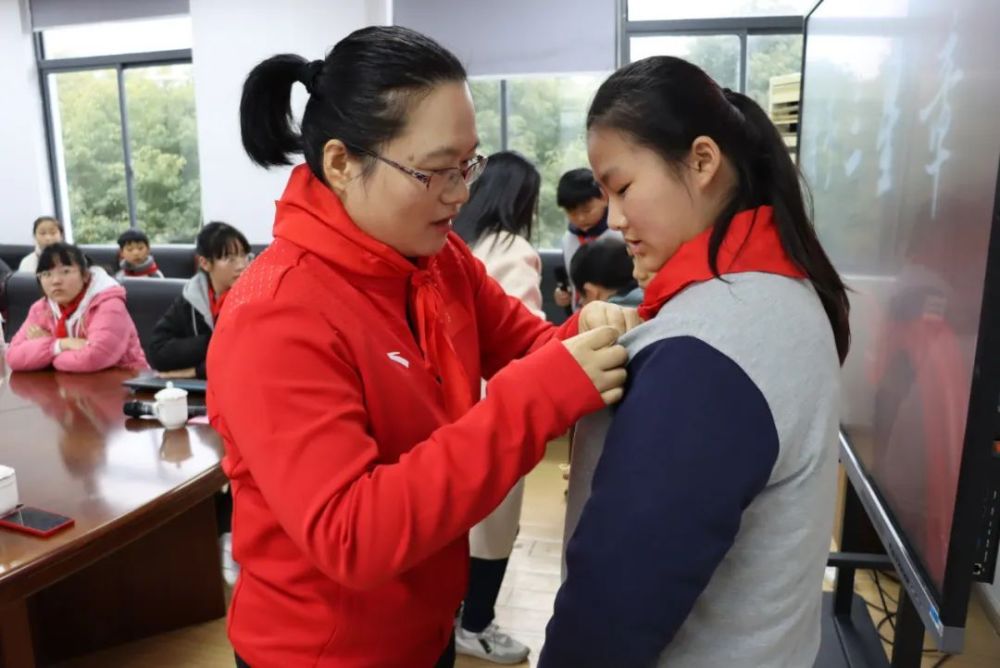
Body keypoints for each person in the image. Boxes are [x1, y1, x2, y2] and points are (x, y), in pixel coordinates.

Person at [211, 26, 633, 668]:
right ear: (341, 163)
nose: (462, 194)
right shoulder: (276, 315)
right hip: (323, 653)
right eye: (435, 171)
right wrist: (536, 396)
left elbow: (536, 349)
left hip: (426, 625)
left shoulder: (438, 260)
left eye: (468, 164)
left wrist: (596, 324)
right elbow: (351, 535)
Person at [544, 56, 851, 668]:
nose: (618, 220)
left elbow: (611, 611)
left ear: (703, 161)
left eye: (624, 187)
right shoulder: (781, 292)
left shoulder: (707, 351)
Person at [452, 150, 543, 664]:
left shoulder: (449, 243)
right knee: (493, 528)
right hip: (494, 414)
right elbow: (521, 342)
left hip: (441, 411)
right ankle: (478, 622)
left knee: (450, 523)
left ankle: (452, 613)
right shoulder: (512, 249)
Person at [6, 243, 148, 373]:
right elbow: (13, 358)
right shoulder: (41, 308)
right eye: (46, 274)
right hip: (69, 387)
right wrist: (60, 344)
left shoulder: (108, 304)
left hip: (125, 384)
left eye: (66, 271)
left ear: (85, 275)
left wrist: (44, 353)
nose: (55, 281)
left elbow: (93, 358)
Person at [148, 222, 250, 380]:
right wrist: (214, 341)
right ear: (205, 263)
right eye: (229, 259)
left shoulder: (254, 299)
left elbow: (245, 360)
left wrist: (193, 371)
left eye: (243, 255)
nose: (241, 265)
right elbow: (157, 352)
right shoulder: (192, 297)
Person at [552, 168, 618, 310]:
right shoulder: (568, 239)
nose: (581, 218)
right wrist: (564, 295)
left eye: (587, 210)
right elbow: (572, 283)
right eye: (572, 213)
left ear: (603, 198)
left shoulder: (619, 234)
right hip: (579, 317)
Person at [569, 237, 643, 308]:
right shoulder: (650, 302)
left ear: (591, 293)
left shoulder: (602, 319)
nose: (580, 302)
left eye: (582, 297)